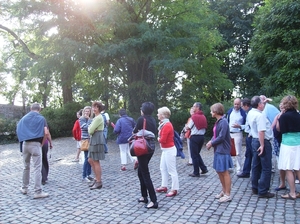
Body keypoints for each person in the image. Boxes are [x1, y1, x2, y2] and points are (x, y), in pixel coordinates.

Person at [16, 103, 50, 199]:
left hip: (25, 144)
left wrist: (22, 141)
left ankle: (24, 188)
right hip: (35, 144)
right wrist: (42, 144)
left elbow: (18, 130)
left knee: (26, 167)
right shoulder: (41, 118)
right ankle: (38, 191)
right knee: (37, 168)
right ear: (40, 109)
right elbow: (46, 132)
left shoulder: (23, 118)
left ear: (31, 108)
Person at [247, 96, 274, 198]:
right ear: (259, 105)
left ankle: (255, 187)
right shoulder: (260, 116)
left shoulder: (251, 112)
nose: (263, 104)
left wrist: (264, 101)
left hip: (254, 140)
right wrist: (262, 145)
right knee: (266, 167)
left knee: (256, 165)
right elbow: (261, 131)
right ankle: (263, 190)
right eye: (262, 103)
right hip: (262, 141)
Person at [206, 103, 233, 203]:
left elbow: (221, 137)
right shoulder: (219, 121)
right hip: (218, 149)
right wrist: (211, 141)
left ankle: (228, 194)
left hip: (223, 150)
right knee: (219, 171)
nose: (210, 112)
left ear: (216, 111)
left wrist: (212, 143)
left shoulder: (223, 122)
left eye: (212, 110)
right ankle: (224, 190)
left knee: (224, 172)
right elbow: (215, 135)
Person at [133, 102, 158, 209]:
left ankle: (154, 200)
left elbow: (134, 131)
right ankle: (144, 196)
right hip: (150, 147)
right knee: (140, 172)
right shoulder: (153, 120)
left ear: (143, 110)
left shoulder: (141, 119)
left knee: (145, 173)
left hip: (142, 148)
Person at [276, 95, 300, 199]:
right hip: (298, 142)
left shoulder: (284, 116)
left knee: (288, 168)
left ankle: (292, 192)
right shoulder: (299, 115)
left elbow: (279, 129)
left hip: (287, 143)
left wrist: (280, 116)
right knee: (298, 168)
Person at [156, 107, 179, 197]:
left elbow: (163, 140)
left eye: (159, 113)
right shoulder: (163, 124)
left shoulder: (167, 125)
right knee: (163, 168)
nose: (157, 115)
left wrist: (158, 139)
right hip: (165, 150)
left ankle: (174, 189)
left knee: (171, 170)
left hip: (169, 150)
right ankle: (164, 186)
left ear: (162, 115)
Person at [88, 101, 106, 190]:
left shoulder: (98, 118)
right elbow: (90, 129)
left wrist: (91, 129)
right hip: (94, 139)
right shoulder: (95, 118)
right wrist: (90, 129)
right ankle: (96, 179)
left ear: (99, 109)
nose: (94, 109)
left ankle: (99, 181)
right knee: (90, 160)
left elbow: (90, 130)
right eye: (93, 107)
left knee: (95, 161)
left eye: (96, 107)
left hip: (97, 139)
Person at [186, 102, 208, 177]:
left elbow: (188, 127)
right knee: (197, 154)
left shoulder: (194, 117)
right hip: (202, 137)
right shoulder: (203, 116)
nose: (193, 108)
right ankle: (204, 168)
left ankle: (196, 172)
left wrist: (186, 127)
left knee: (194, 155)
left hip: (194, 137)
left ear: (197, 108)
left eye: (194, 106)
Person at [227, 98, 247, 176]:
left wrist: (240, 126)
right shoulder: (229, 111)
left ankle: (239, 169)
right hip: (229, 133)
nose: (236, 105)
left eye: (238, 104)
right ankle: (229, 167)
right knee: (229, 151)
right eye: (235, 104)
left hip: (238, 133)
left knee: (238, 152)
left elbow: (247, 125)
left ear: (240, 104)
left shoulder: (243, 113)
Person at [272, 103, 286, 191]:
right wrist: (278, 117)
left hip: (287, 141)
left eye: (283, 107)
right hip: (278, 142)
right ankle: (283, 183)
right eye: (280, 107)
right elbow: (273, 127)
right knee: (280, 164)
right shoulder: (278, 116)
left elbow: (278, 128)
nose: (281, 108)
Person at [237, 98, 252, 178]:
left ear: (246, 106)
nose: (241, 107)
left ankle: (247, 171)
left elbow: (252, 126)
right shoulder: (248, 112)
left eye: (242, 106)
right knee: (248, 154)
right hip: (248, 135)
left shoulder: (251, 113)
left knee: (250, 154)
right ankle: (246, 171)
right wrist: (240, 126)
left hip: (251, 136)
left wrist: (250, 133)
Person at [79, 106, 93, 182]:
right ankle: (84, 176)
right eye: (85, 111)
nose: (87, 112)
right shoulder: (81, 119)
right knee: (86, 158)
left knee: (90, 158)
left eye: (88, 111)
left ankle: (89, 174)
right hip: (85, 140)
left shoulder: (90, 119)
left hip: (91, 140)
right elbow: (86, 127)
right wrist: (89, 120)